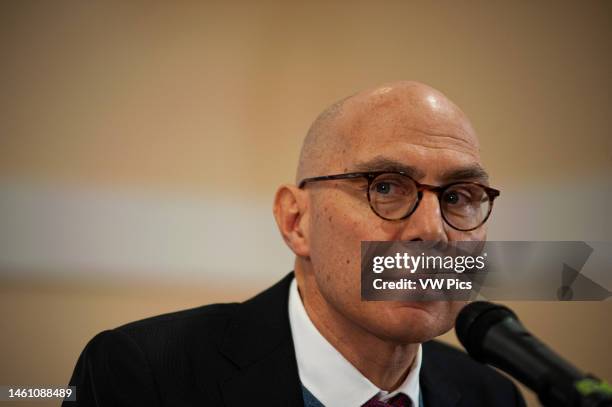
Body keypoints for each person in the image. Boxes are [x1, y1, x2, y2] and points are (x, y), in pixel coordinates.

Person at [64, 81, 525, 406]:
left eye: (458, 197)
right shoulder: (146, 374)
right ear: (295, 220)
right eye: (385, 187)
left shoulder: (492, 394)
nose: (433, 231)